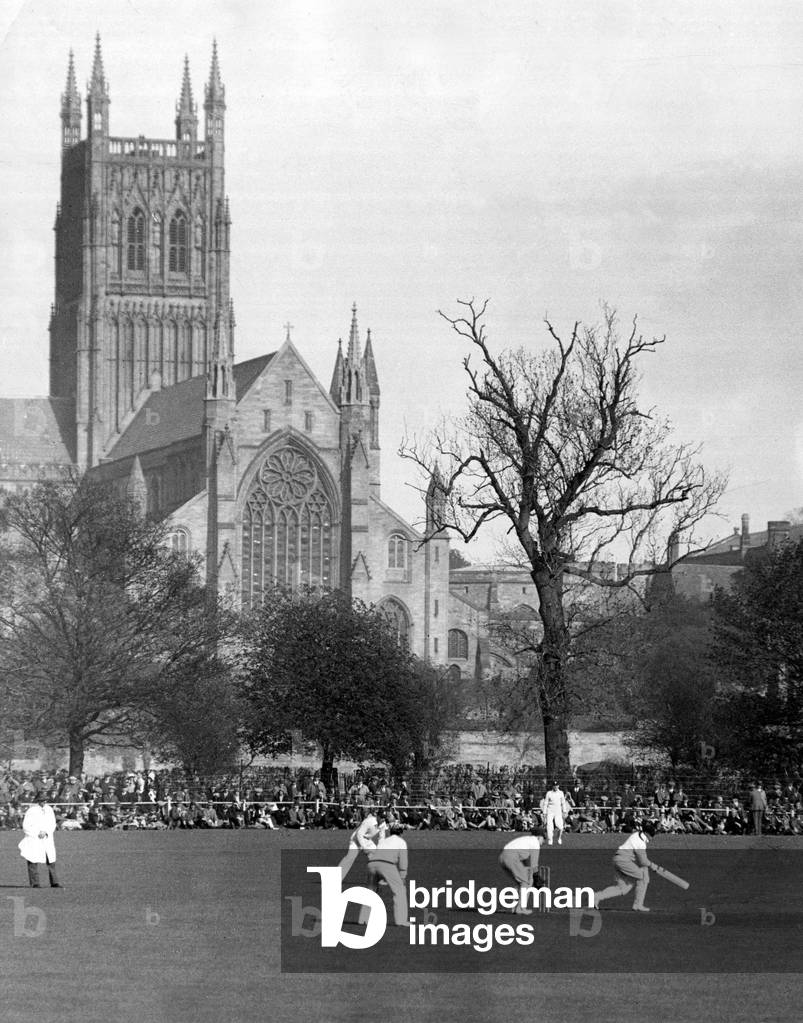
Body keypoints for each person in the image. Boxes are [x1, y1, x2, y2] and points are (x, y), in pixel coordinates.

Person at [594, 817, 653, 912]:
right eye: (651, 836)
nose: (651, 839)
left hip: (617, 859)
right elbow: (643, 861)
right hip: (623, 861)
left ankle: (596, 897)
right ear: (647, 834)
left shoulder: (636, 835)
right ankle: (638, 905)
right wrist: (652, 866)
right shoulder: (641, 843)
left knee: (624, 888)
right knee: (643, 877)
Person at [358, 822, 410, 928]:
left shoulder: (384, 841)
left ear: (390, 832)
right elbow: (403, 862)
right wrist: (403, 876)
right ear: (401, 833)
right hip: (386, 864)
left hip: (372, 864)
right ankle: (401, 920)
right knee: (399, 890)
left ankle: (363, 919)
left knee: (371, 892)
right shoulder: (401, 842)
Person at [19, 790, 62, 889]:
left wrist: (46, 832)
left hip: (47, 839)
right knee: (32, 860)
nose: (43, 802)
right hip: (34, 839)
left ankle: (54, 882)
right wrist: (37, 833)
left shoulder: (49, 810)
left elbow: (52, 823)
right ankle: (35, 883)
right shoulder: (31, 811)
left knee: (51, 860)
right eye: (41, 800)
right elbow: (26, 826)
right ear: (38, 800)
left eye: (45, 800)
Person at [498, 828, 543, 915]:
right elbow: (534, 864)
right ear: (539, 837)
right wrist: (536, 877)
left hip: (502, 857)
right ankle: (520, 908)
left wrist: (531, 876)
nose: (542, 842)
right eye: (543, 839)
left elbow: (526, 862)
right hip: (511, 857)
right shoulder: (535, 842)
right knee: (526, 882)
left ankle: (515, 907)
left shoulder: (527, 840)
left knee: (522, 883)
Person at [337, 806, 384, 879]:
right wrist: (364, 848)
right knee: (350, 858)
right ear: (377, 816)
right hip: (356, 840)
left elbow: (381, 837)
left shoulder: (383, 823)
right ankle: (336, 878)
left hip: (368, 840)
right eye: (381, 817)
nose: (382, 819)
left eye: (384, 818)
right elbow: (359, 834)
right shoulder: (369, 821)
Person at [541, 781, 570, 845]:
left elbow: (563, 803)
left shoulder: (561, 793)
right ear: (552, 786)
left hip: (558, 811)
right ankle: (550, 840)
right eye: (554, 785)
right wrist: (544, 812)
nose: (555, 786)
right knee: (549, 826)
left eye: (556, 785)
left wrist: (564, 811)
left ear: (558, 786)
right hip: (550, 811)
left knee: (560, 827)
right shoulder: (549, 793)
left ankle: (559, 838)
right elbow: (545, 803)